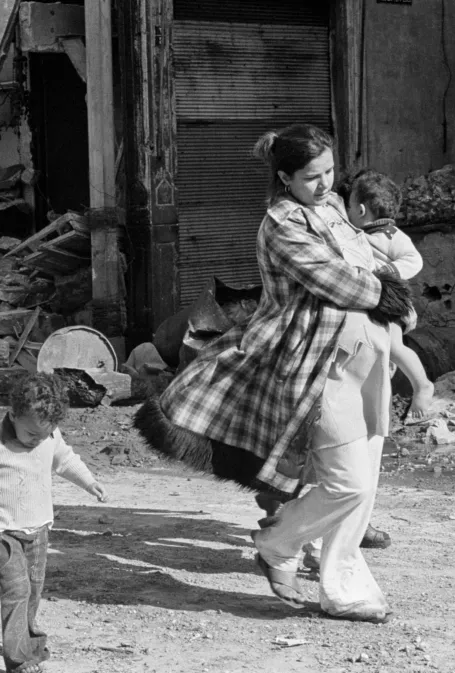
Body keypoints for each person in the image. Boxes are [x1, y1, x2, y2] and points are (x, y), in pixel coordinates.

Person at [134, 124, 411, 623]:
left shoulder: (330, 211)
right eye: (312, 176)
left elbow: (374, 257)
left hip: (367, 362)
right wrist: (391, 296)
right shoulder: (282, 226)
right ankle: (277, 544)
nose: (326, 184)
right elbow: (342, 282)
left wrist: (389, 290)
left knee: (364, 486)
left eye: (330, 171)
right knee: (347, 484)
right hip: (315, 365)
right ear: (285, 178)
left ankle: (344, 587)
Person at [0, 373, 107, 673]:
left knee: (33, 590)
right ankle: (18, 662)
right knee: (17, 591)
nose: (37, 440)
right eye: (32, 433)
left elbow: (65, 460)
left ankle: (29, 644)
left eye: (44, 434)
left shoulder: (50, 437)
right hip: (3, 534)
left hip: (39, 530)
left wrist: (90, 482)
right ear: (13, 414)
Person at [343, 169, 436, 422]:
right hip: (375, 304)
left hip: (392, 304)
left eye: (349, 206)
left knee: (394, 347)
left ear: (361, 210)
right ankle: (382, 407)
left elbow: (414, 261)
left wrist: (384, 271)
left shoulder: (391, 235)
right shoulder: (362, 236)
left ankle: (422, 385)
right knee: (380, 355)